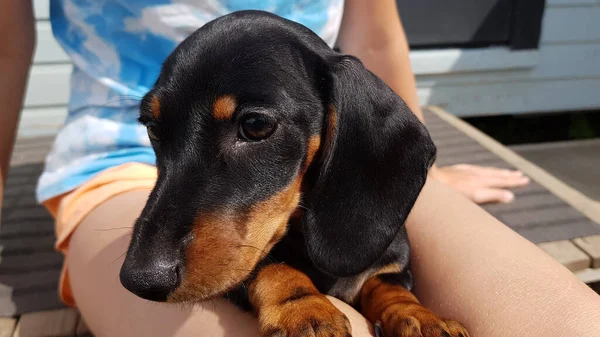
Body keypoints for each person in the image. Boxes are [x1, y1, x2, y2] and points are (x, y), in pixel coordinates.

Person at [3, 1, 596, 337]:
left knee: (566, 323)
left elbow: (375, 38)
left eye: (249, 126)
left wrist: (414, 175)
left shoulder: (338, 113)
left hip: (335, 126)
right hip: (119, 161)